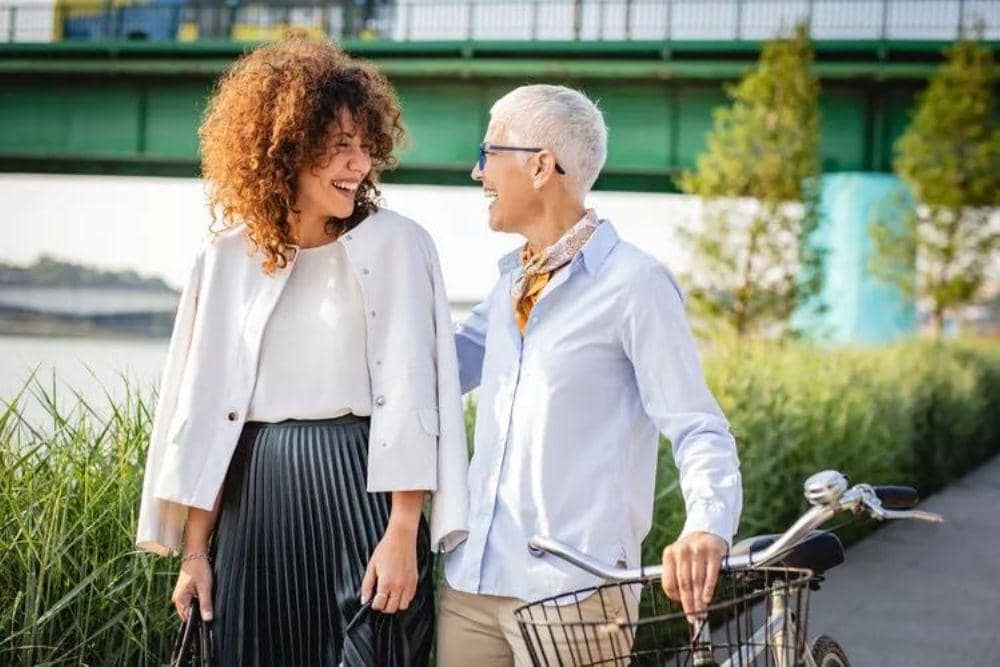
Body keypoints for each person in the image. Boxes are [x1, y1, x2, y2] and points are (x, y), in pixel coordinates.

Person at [135, 38, 468, 666]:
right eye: (339, 145)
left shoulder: (399, 245)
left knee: (378, 650)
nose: (359, 163)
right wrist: (195, 553)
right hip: (255, 496)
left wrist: (403, 530)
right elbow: (205, 416)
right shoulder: (225, 259)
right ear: (285, 148)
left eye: (366, 145)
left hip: (360, 485)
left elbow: (413, 394)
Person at [436, 84, 743, 666]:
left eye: (489, 152)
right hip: (473, 584)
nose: (478, 172)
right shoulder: (508, 287)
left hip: (576, 593)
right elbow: (435, 372)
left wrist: (707, 526)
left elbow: (697, 425)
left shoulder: (635, 285)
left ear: (541, 165)